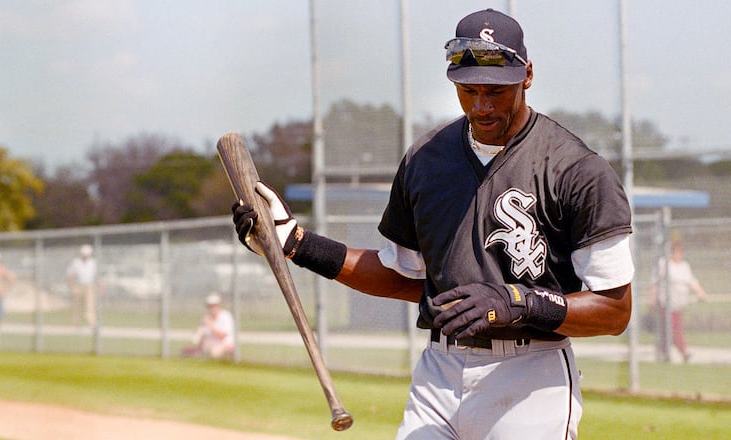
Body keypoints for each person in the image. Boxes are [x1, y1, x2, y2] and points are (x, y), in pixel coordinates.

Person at [231, 9, 633, 439]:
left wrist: (518, 302)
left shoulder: (577, 169)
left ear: (527, 76)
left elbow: (614, 311)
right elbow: (401, 275)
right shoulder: (427, 160)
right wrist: (295, 242)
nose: (482, 106)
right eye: (468, 90)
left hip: (530, 375)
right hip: (439, 371)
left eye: (496, 91)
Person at [648, 240, 708, 363]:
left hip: (679, 304)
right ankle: (684, 351)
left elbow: (691, 281)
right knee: (674, 328)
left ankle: (663, 353)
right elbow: (655, 282)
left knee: (669, 330)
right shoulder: (664, 264)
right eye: (675, 252)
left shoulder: (684, 266)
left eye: (680, 252)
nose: (678, 255)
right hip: (666, 304)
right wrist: (652, 298)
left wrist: (700, 292)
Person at [182, 293, 235, 360]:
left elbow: (222, 336)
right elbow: (202, 336)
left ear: (218, 305)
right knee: (188, 352)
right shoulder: (206, 318)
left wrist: (210, 325)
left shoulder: (226, 316)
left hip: (226, 344)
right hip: (210, 344)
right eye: (209, 306)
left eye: (213, 306)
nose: (211, 308)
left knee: (214, 352)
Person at [66, 244, 99, 327]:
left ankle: (92, 323)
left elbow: (97, 275)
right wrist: (72, 286)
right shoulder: (76, 262)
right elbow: (70, 275)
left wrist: (100, 285)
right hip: (79, 286)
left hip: (89, 286)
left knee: (90, 305)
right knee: (77, 306)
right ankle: (76, 323)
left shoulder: (93, 262)